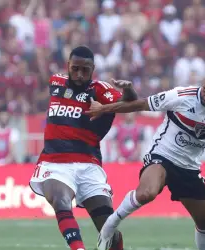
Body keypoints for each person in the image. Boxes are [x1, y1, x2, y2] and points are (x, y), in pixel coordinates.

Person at [87, 68, 205, 250]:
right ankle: (109, 227)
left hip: (189, 167)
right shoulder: (182, 95)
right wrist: (104, 109)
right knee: (147, 193)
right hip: (162, 155)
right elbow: (140, 105)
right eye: (204, 89)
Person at [29, 46, 137, 250]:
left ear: (93, 69)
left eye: (85, 70)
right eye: (75, 68)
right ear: (68, 66)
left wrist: (128, 90)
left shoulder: (100, 90)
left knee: (107, 227)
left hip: (89, 164)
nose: (79, 75)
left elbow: (130, 103)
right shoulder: (56, 82)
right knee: (61, 201)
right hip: (55, 162)